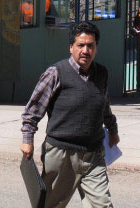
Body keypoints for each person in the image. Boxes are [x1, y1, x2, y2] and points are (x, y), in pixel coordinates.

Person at [21, 21, 119, 208]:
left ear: (96, 48)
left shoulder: (102, 74)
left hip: (93, 154)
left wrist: (112, 129)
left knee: (103, 205)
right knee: (51, 205)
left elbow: (104, 105)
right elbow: (33, 110)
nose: (85, 50)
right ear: (71, 48)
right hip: (61, 155)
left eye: (90, 45)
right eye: (80, 45)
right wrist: (27, 138)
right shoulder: (56, 73)